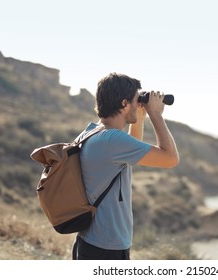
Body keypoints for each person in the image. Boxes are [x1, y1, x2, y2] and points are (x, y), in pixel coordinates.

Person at [72, 72, 179, 260]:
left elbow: (128, 155)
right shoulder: (112, 139)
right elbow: (170, 158)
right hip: (105, 247)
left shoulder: (92, 133)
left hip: (91, 241)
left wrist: (139, 116)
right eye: (136, 99)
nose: (140, 102)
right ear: (124, 103)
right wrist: (155, 114)